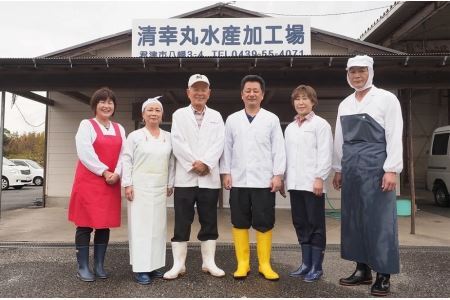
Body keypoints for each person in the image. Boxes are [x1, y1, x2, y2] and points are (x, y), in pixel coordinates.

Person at [332, 55, 403, 297]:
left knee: (380, 221)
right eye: (352, 72)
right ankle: (362, 269)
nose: (357, 76)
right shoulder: (345, 104)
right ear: (347, 75)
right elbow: (339, 140)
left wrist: (391, 168)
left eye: (361, 71)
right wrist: (339, 168)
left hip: (377, 165)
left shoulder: (386, 99)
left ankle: (384, 274)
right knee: (354, 220)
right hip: (351, 166)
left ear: (370, 72)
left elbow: (395, 134)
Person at [221, 74, 286, 281]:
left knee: (264, 222)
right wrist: (226, 172)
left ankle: (265, 264)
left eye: (255, 91)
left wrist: (278, 175)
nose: (251, 94)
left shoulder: (271, 119)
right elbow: (226, 149)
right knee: (239, 222)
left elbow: (279, 149)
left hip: (264, 181)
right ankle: (243, 264)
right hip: (238, 180)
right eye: (247, 91)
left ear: (262, 95)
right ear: (242, 95)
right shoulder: (232, 119)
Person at [164, 74, 225, 279]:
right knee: (182, 221)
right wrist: (195, 164)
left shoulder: (216, 116)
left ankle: (209, 263)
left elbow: (219, 143)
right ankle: (178, 265)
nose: (199, 93)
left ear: (209, 93)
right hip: (185, 177)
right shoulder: (179, 115)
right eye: (195, 89)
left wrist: (206, 163)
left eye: (203, 89)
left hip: (209, 177)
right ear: (188, 92)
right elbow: (177, 142)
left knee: (209, 221)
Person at [68, 87, 126, 282]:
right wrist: (104, 171)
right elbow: (85, 153)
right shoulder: (87, 125)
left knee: (103, 225)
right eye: (102, 101)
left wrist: (117, 172)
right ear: (95, 105)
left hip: (111, 182)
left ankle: (99, 265)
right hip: (89, 181)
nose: (106, 105)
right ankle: (83, 266)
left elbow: (124, 155)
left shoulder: (120, 128)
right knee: (84, 225)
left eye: (110, 102)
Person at [122, 97, 175, 285]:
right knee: (141, 228)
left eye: (157, 110)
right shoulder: (134, 136)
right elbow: (126, 160)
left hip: (160, 188)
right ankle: (141, 268)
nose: (153, 113)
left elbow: (171, 162)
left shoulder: (168, 136)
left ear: (162, 114)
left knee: (158, 228)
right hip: (139, 187)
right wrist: (127, 184)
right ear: (143, 114)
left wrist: (170, 183)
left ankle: (154, 265)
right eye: (150, 110)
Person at [284, 85, 333, 283]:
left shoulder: (321, 125)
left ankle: (317, 267)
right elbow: (286, 156)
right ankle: (305, 264)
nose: (301, 102)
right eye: (297, 99)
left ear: (313, 102)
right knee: (300, 223)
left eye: (305, 98)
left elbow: (325, 152)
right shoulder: (290, 127)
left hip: (313, 184)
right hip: (295, 184)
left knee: (316, 225)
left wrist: (320, 177)